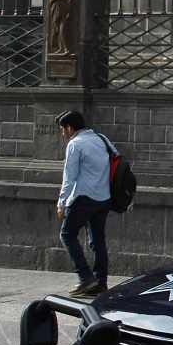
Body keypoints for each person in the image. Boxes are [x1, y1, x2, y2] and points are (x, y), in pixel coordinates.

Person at [55, 110, 113, 298]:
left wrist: (62, 203)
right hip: (103, 198)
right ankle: (100, 283)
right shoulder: (101, 139)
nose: (62, 134)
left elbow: (69, 177)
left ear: (69, 128)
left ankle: (85, 276)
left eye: (62, 130)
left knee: (67, 234)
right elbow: (117, 161)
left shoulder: (75, 144)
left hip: (84, 198)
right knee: (97, 240)